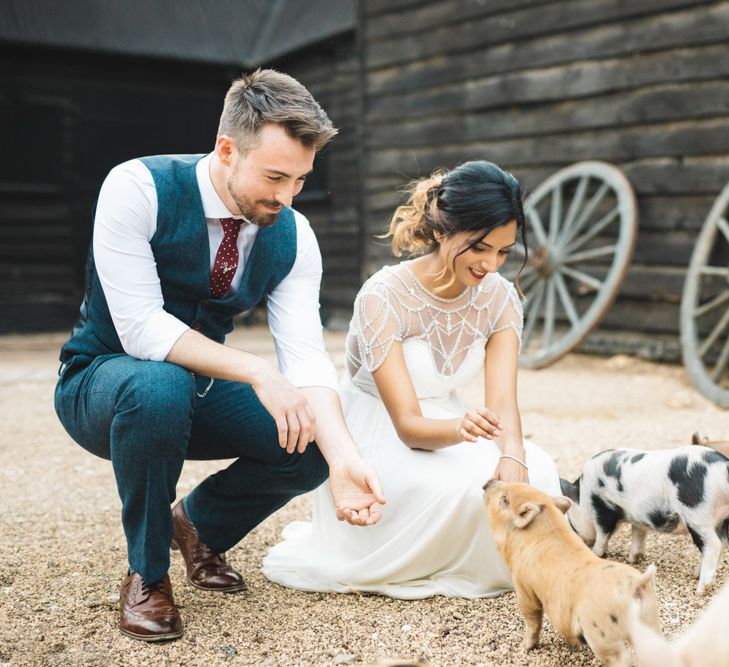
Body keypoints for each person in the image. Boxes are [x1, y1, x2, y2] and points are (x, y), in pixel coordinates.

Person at [54, 69, 384, 642]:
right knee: (159, 385)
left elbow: (306, 357)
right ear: (227, 149)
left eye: (301, 180)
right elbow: (140, 329)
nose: (287, 197)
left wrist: (343, 458)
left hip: (193, 386)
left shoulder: (294, 234)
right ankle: (147, 573)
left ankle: (198, 525)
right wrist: (257, 370)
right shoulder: (136, 186)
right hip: (100, 380)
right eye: (276, 176)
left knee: (308, 436)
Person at [263, 160, 561, 598]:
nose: (491, 265)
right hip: (382, 428)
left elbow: (502, 403)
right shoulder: (384, 296)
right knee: (460, 493)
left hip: (449, 419)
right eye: (480, 247)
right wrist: (461, 430)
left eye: (503, 251)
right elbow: (408, 426)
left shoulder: (499, 298)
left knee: (543, 476)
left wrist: (513, 456)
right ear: (442, 231)